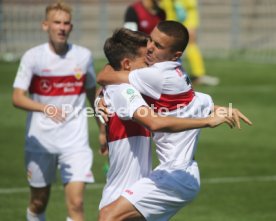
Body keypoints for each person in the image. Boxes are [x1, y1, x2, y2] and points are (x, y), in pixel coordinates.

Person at [97, 22, 252, 220]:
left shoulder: (155, 77)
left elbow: (105, 77)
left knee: (107, 216)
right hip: (170, 175)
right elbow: (193, 103)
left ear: (175, 55)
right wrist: (99, 99)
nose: (150, 51)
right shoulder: (173, 77)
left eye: (157, 46)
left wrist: (208, 120)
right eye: (150, 43)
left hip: (172, 175)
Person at [12, 2, 102, 221]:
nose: (62, 27)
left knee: (77, 203)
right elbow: (17, 97)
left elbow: (93, 94)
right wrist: (45, 108)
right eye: (57, 22)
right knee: (38, 202)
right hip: (40, 141)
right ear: (45, 25)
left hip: (75, 141)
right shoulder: (33, 57)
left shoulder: (83, 56)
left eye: (66, 23)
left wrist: (102, 129)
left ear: (71, 27)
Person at [160, 0, 220, 86]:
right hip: (170, 11)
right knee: (168, 42)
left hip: (185, 11)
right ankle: (169, 71)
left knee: (191, 42)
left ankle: (198, 74)